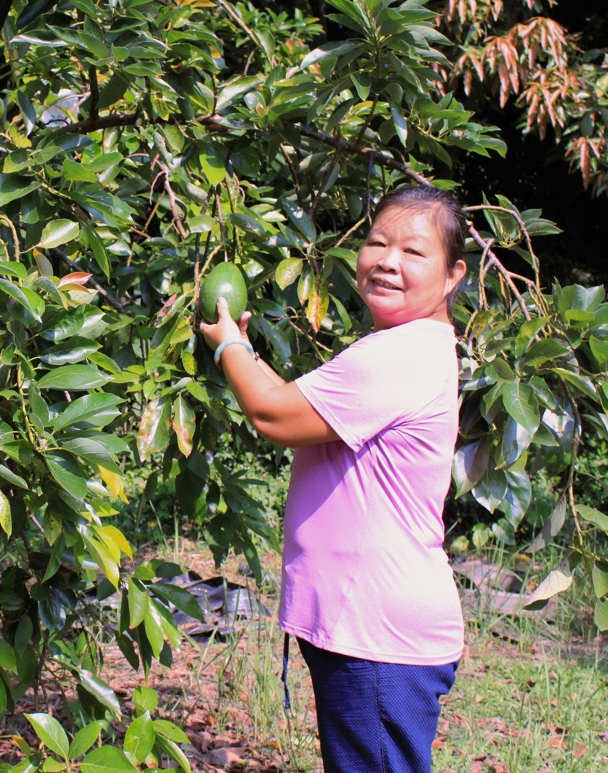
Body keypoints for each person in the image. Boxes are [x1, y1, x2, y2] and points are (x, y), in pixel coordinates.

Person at [199, 185, 470, 773]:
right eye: (377, 242)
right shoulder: (402, 348)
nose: (388, 261)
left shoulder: (400, 356)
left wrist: (228, 350)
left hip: (377, 629)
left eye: (413, 252)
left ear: (452, 276)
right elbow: (293, 402)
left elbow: (273, 415)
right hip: (367, 624)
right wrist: (240, 346)